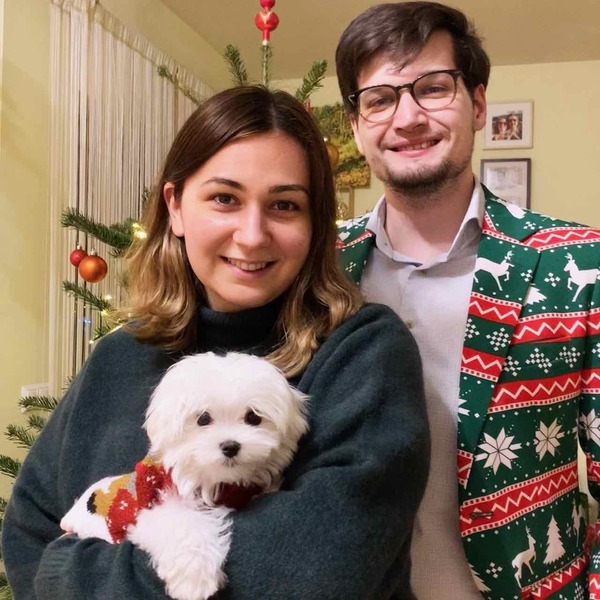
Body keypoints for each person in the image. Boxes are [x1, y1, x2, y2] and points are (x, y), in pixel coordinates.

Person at [2, 86, 430, 599]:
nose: (252, 235)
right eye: (225, 198)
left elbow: (316, 575)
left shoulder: (363, 353)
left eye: (284, 205)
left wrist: (66, 575)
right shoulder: (119, 355)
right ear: (176, 207)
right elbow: (27, 531)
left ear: (315, 224)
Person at [335, 2, 600, 598]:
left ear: (478, 104)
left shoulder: (581, 264)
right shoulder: (320, 268)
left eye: (433, 88)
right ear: (355, 125)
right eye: (379, 99)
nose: (407, 117)